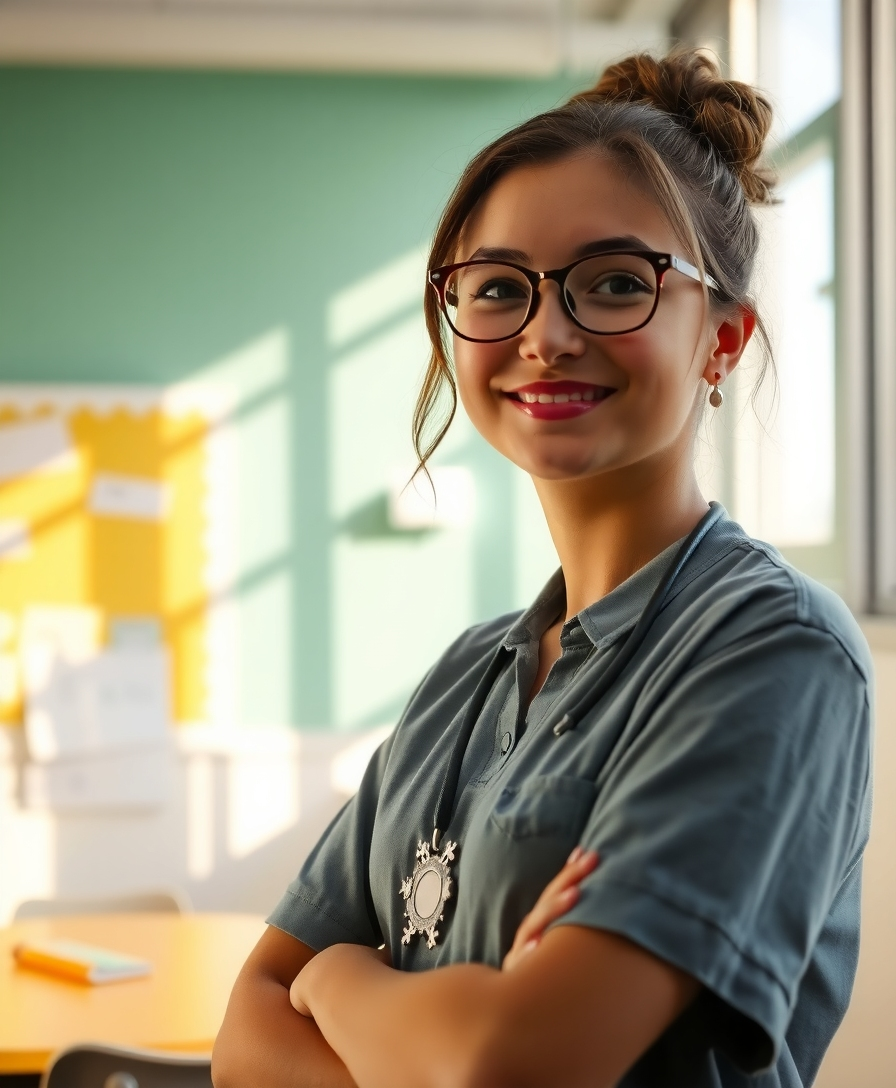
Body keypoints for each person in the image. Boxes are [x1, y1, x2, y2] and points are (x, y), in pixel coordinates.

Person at [212, 50, 872, 1088]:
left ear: (722, 341)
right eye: (497, 288)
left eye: (615, 283)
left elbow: (514, 1062)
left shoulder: (772, 649)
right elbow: (243, 1037)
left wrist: (339, 979)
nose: (545, 334)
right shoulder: (462, 681)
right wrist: (444, 1032)